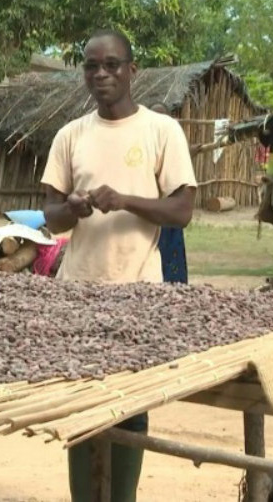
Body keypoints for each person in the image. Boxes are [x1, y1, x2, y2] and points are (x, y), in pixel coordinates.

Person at [41, 29, 197, 501]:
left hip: (138, 293)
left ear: (133, 71)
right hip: (77, 293)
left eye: (112, 65)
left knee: (131, 405)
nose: (102, 74)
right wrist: (74, 208)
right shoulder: (71, 136)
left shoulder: (161, 131)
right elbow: (49, 216)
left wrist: (126, 200)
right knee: (82, 402)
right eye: (92, 65)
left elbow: (182, 211)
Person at [150, 102, 189, 284]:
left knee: (172, 256)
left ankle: (176, 289)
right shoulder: (143, 146)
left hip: (170, 212)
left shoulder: (175, 143)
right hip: (148, 212)